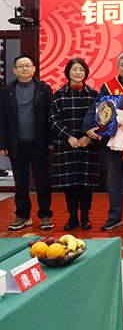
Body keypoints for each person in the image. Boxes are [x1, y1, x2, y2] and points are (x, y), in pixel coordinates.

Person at [84, 51, 123, 231]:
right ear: (118, 67)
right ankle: (114, 217)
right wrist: (88, 127)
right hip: (110, 140)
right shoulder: (108, 87)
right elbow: (96, 108)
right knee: (113, 181)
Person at [0, 55, 54, 231]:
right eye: (20, 66)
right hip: (16, 144)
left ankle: (45, 215)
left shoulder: (44, 89)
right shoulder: (5, 91)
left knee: (43, 181)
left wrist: (51, 139)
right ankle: (23, 216)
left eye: (27, 65)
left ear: (34, 69)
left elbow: (51, 116)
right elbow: (1, 118)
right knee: (21, 182)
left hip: (40, 143)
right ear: (14, 70)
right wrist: (2, 143)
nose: (24, 69)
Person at [49, 58, 99, 231]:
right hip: (66, 145)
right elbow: (53, 119)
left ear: (86, 73)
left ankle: (85, 217)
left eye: (81, 69)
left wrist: (89, 137)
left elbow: (101, 118)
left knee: (86, 184)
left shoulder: (94, 95)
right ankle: (72, 217)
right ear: (68, 72)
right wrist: (68, 136)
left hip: (88, 145)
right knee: (69, 184)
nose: (78, 72)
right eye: (74, 69)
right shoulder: (59, 95)